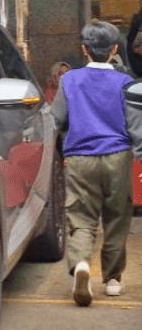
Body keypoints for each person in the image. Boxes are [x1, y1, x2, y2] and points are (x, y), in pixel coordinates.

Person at [51, 20, 137, 307]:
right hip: (117, 157)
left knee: (82, 219)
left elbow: (56, 120)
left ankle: (81, 265)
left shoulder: (69, 80)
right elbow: (134, 124)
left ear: (84, 49)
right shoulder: (125, 83)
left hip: (79, 159)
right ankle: (112, 279)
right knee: (117, 218)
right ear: (115, 49)